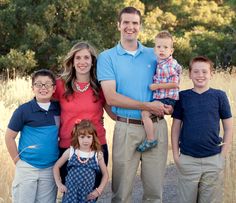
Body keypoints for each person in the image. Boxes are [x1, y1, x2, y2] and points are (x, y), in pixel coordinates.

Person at [97, 6, 173, 202]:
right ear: (118, 25)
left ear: (140, 26)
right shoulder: (107, 57)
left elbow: (172, 79)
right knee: (121, 192)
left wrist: (171, 104)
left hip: (156, 127)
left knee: (154, 192)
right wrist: (147, 107)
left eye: (135, 23)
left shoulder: (154, 54)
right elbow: (111, 97)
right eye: (126, 22)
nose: (130, 27)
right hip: (126, 128)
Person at [171, 56, 233, 203]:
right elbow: (175, 128)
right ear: (190, 74)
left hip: (213, 160)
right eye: (196, 72)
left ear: (211, 73)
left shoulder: (219, 96)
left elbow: (229, 128)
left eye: (204, 72)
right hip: (188, 159)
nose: (200, 75)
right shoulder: (182, 96)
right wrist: (175, 155)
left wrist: (222, 155)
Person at [53, 41, 115, 184]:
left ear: (93, 62)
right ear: (72, 62)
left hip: (96, 147)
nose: (82, 62)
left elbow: (113, 114)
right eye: (78, 58)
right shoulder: (60, 85)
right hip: (67, 148)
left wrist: (144, 111)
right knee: (70, 195)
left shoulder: (101, 86)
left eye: (86, 58)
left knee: (90, 196)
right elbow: (42, 104)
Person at [5, 69, 60, 203]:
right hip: (27, 167)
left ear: (54, 88)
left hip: (50, 168)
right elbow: (9, 137)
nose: (43, 88)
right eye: (38, 84)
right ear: (32, 88)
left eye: (47, 84)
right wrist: (17, 161)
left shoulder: (58, 109)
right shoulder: (23, 110)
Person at [137, 30, 182, 152]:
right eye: (159, 47)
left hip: (165, 97)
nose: (162, 50)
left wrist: (156, 86)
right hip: (164, 98)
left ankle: (151, 139)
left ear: (171, 51)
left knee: (145, 113)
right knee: (149, 113)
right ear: (154, 49)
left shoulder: (168, 66)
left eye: (165, 47)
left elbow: (175, 84)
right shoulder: (162, 62)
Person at [53, 119, 109, 203]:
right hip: (70, 196)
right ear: (77, 137)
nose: (85, 140)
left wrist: (99, 190)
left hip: (87, 196)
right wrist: (59, 184)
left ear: (93, 138)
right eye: (82, 137)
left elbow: (105, 175)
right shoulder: (71, 151)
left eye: (89, 137)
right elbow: (56, 167)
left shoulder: (97, 154)